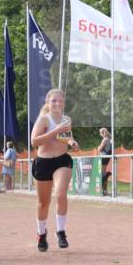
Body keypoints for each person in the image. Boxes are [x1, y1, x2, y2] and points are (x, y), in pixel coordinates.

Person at [30, 88, 78, 251]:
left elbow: (64, 137)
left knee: (60, 194)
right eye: (54, 101)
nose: (57, 103)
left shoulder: (66, 119)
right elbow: (34, 142)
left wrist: (72, 143)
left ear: (64, 103)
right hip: (43, 163)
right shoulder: (44, 120)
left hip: (61, 161)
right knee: (43, 203)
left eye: (60, 100)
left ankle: (61, 232)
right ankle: (41, 234)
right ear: (48, 103)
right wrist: (55, 131)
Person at [96, 127, 113, 197]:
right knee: (103, 173)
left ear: (102, 133)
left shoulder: (105, 139)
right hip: (107, 157)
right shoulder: (110, 139)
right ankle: (104, 190)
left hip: (103, 157)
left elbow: (99, 149)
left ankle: (102, 190)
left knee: (101, 174)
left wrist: (98, 147)